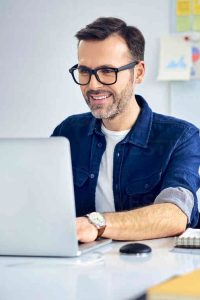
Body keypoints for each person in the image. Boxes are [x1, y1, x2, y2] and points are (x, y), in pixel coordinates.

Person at [52, 17, 200, 243]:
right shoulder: (68, 132)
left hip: (159, 269)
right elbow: (39, 203)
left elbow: (175, 214)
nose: (93, 85)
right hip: (82, 268)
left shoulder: (181, 137)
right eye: (84, 71)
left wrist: (96, 223)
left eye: (108, 71)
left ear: (138, 73)